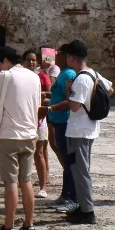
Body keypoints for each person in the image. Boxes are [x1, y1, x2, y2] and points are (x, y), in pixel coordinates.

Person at [0, 47, 42, 230]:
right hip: (30, 133)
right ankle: (29, 225)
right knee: (27, 180)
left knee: (11, 182)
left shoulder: (5, 76)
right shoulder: (34, 77)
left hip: (9, 135)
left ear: (5, 60)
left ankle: (8, 227)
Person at [48, 39, 110, 225]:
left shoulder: (81, 78)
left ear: (72, 58)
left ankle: (87, 210)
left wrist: (69, 91)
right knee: (78, 168)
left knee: (80, 170)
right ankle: (82, 206)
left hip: (79, 131)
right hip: (87, 130)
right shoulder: (93, 73)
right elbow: (110, 88)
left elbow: (74, 107)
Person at [45, 49, 79, 213]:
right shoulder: (63, 73)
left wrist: (50, 108)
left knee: (69, 160)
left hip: (64, 121)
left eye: (59, 55)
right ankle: (66, 194)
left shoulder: (69, 74)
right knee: (65, 159)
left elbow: (69, 100)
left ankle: (72, 196)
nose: (56, 58)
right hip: (58, 121)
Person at [30, 50, 52, 199]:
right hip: (25, 119)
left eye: (33, 60)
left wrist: (41, 95)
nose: (31, 62)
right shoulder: (22, 77)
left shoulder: (42, 77)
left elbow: (50, 95)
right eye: (28, 60)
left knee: (39, 152)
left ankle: (43, 186)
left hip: (39, 118)